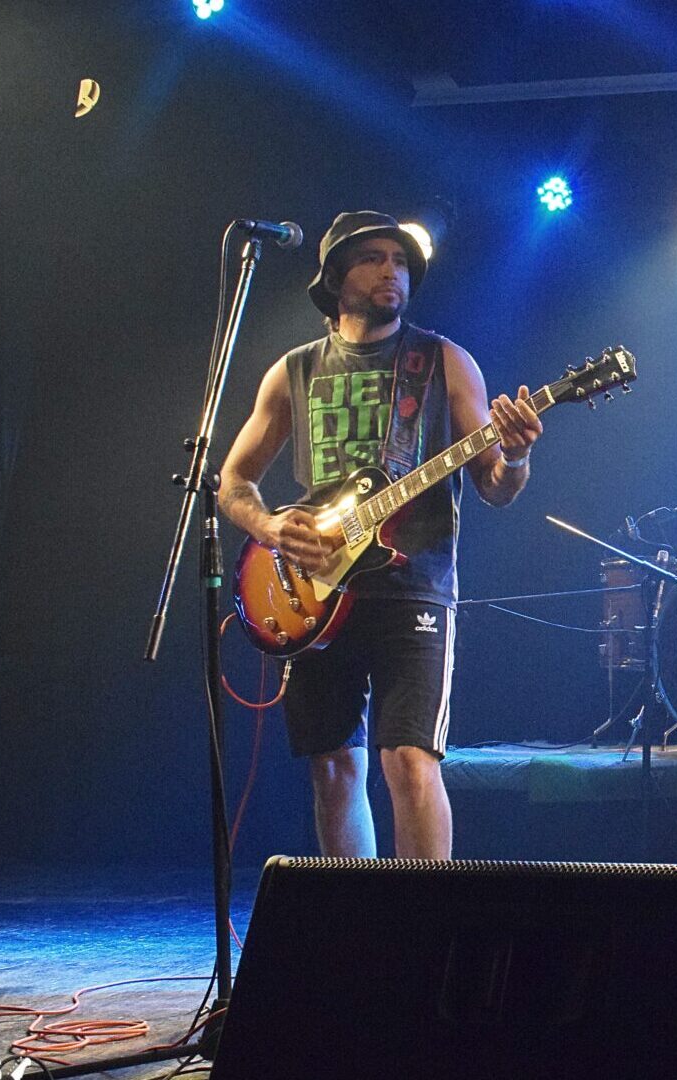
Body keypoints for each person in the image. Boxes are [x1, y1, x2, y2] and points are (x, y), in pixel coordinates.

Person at [218, 211, 545, 860]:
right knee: (334, 767)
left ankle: (422, 914)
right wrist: (273, 527)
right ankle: (359, 913)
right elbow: (233, 483)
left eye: (400, 260)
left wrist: (517, 455)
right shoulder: (294, 371)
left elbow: (495, 486)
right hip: (313, 589)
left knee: (409, 760)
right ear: (336, 277)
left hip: (414, 587)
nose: (391, 270)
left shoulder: (444, 360)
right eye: (373, 258)